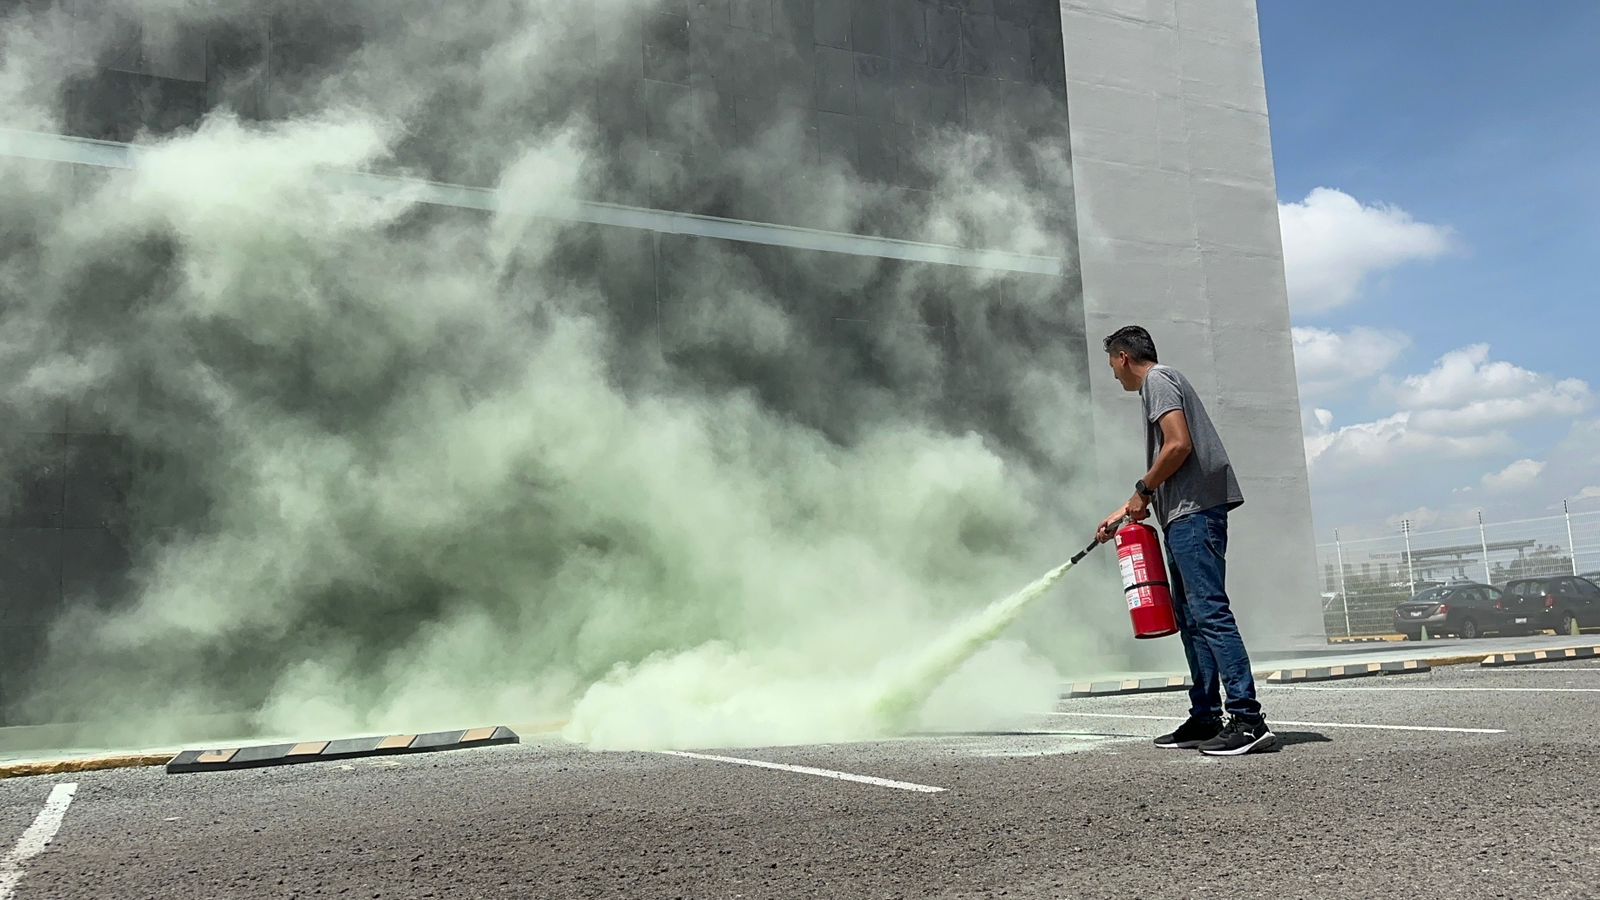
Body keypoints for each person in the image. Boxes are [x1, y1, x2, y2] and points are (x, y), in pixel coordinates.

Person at [1095, 325, 1275, 757]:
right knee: (1193, 619)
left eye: (1112, 365)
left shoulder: (1158, 380)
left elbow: (1178, 445)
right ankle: (1206, 716)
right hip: (1182, 515)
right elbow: (1165, 466)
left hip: (1194, 515)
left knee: (1210, 613)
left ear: (1123, 357)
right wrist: (1126, 509)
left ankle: (1248, 720)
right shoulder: (1162, 382)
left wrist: (1143, 490)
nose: (1114, 375)